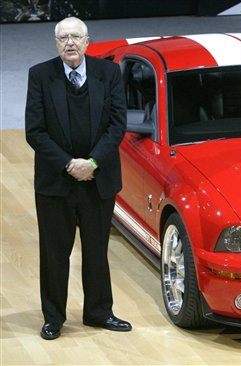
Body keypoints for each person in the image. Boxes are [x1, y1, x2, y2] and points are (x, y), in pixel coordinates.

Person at [25, 16, 131, 340]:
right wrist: (70, 164)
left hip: (98, 182)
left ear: (88, 41)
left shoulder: (109, 73)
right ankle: (54, 318)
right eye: (63, 38)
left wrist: (93, 163)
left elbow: (117, 125)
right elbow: (35, 131)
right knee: (55, 252)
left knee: (97, 250)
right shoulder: (40, 75)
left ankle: (99, 312)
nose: (69, 43)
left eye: (75, 37)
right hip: (56, 183)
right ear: (56, 44)